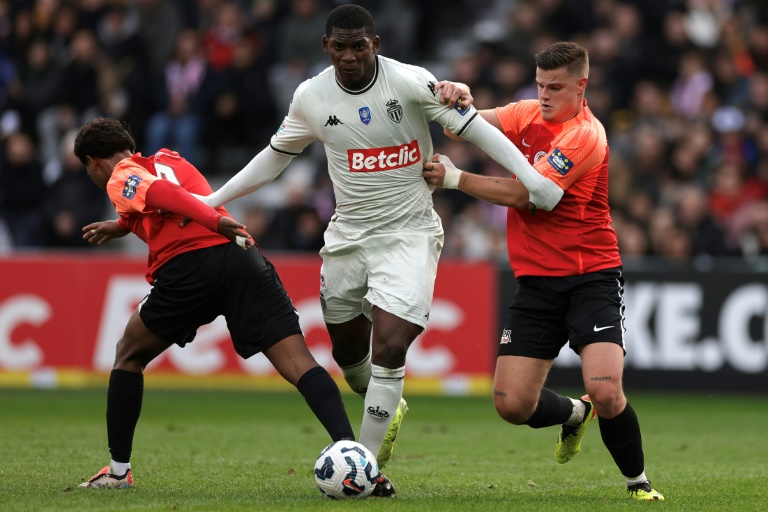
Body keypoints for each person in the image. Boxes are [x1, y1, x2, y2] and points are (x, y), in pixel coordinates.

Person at [188, 3, 563, 498]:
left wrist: (534, 180)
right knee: (349, 355)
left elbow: (477, 129)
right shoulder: (311, 96)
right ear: (326, 48)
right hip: (348, 237)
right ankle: (386, 407)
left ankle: (365, 471)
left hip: (409, 233)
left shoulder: (410, 83)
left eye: (358, 46)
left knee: (389, 346)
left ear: (375, 45)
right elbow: (276, 157)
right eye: (339, 47)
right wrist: (212, 201)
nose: (348, 56)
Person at [422, 42, 664, 501]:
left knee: (607, 391)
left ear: (581, 85)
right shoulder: (527, 113)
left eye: (555, 87)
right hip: (535, 280)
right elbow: (466, 125)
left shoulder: (585, 135)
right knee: (511, 405)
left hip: (590, 274)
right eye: (539, 85)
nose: (545, 94)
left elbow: (528, 197)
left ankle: (639, 484)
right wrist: (455, 94)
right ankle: (575, 415)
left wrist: (455, 179)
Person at [74, 117, 355, 489]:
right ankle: (356, 459)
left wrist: (213, 220)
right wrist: (121, 225)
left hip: (191, 266)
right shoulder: (170, 158)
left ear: (93, 162)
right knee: (299, 363)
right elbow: (163, 194)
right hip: (241, 257)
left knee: (128, 353)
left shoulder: (117, 176)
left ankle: (118, 472)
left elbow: (163, 196)